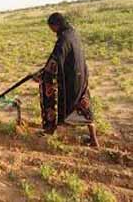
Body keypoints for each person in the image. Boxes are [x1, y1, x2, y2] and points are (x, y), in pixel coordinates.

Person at [34, 12, 99, 147]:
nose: (52, 31)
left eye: (51, 28)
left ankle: (50, 128)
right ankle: (94, 139)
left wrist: (42, 75)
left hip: (71, 80)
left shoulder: (63, 39)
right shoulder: (73, 33)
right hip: (81, 76)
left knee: (49, 91)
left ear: (56, 25)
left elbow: (55, 60)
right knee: (84, 106)